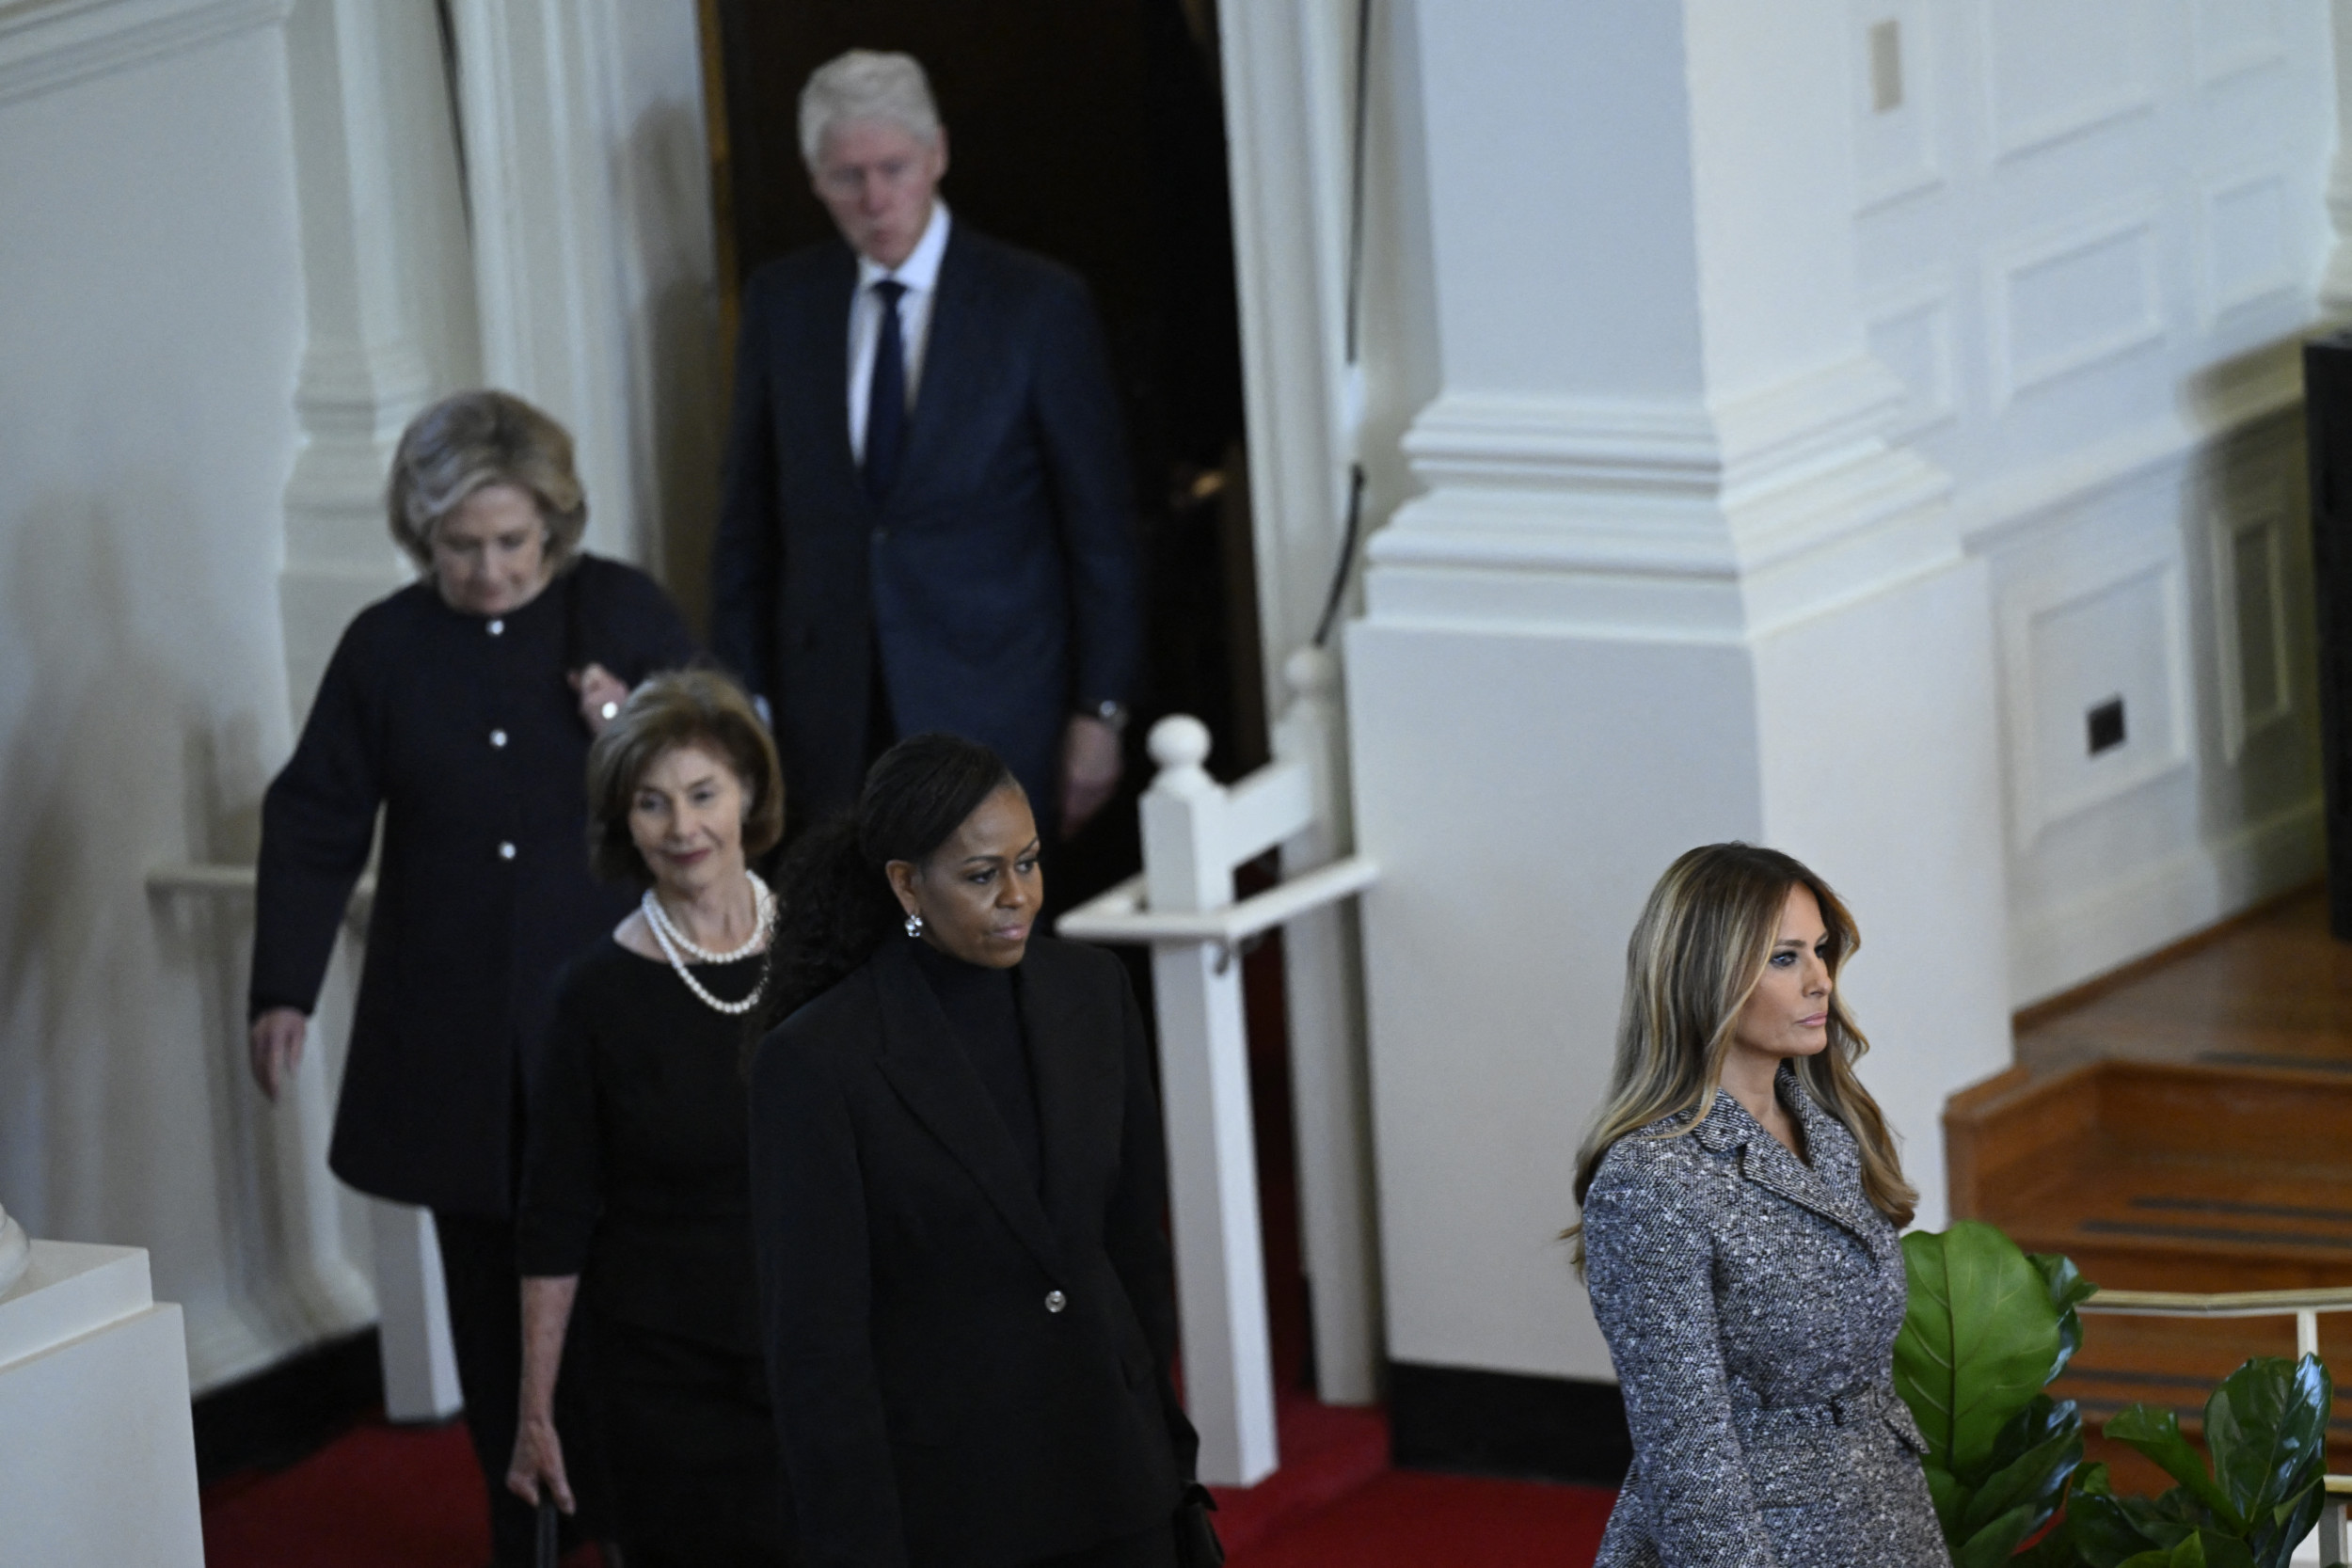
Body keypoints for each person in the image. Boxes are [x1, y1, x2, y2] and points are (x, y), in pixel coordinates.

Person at [248, 388, 697, 1566]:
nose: (491, 571)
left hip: (616, 1024)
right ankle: (531, 1535)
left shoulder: (621, 609)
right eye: (461, 546)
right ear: (420, 535)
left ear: (554, 525)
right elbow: (314, 817)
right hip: (456, 1037)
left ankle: (651, 1526)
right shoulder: (386, 645)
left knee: (638, 1291)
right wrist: (283, 985)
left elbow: (730, 767)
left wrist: (642, 725)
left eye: (512, 543)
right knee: (498, 1311)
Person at [746, 734, 1206, 1567]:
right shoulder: (818, 1062)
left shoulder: (1094, 992)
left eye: (1028, 862)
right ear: (905, 883)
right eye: (982, 874)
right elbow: (818, 1348)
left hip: (1118, 1473)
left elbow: (1135, 1247)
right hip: (954, 1508)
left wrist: (1168, 1451)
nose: (1017, 897)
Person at [709, 48, 1141, 840]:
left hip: (998, 705)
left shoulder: (1036, 306)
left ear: (937, 154)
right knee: (861, 949)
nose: (874, 199)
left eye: (894, 168)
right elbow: (748, 522)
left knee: (983, 949)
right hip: (830, 722)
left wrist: (1101, 710)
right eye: (847, 177)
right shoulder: (783, 304)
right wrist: (743, 703)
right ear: (813, 177)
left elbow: (1101, 529)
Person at [1568, 844, 1949, 1568]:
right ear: (1703, 975)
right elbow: (1687, 1457)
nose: (1820, 981)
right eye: (1785, 958)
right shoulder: (1651, 1180)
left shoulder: (1828, 1125)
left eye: (1821, 951)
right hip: (1757, 1542)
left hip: (1884, 1519)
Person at [506, 670, 792, 1567]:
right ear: (623, 822)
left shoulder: (831, 953)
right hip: (665, 1374)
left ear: (748, 788)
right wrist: (536, 1410)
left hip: (825, 1354)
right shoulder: (591, 996)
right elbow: (554, 1214)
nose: (683, 828)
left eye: (704, 793)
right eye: (652, 804)